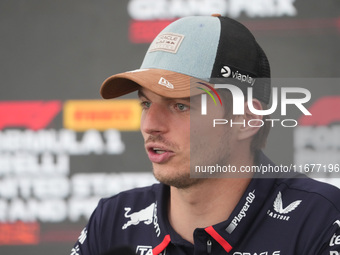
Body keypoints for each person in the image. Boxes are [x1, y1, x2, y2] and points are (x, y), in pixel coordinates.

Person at [71, 15, 340, 255]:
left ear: (246, 120)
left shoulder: (320, 219)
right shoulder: (114, 220)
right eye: (146, 103)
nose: (149, 124)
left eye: (180, 106)